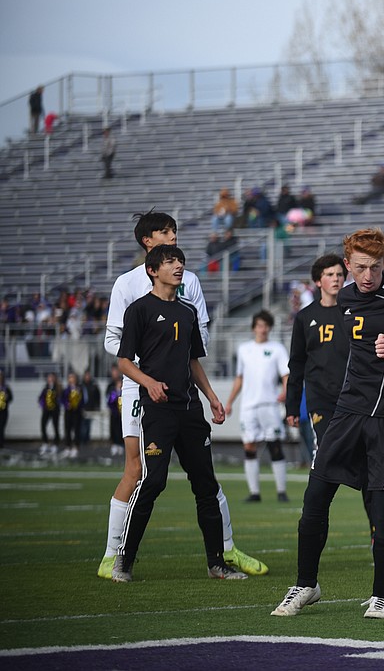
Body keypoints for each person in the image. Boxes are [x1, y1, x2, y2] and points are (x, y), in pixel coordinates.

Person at [271, 228, 384, 619]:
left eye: (375, 267)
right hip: (346, 414)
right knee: (314, 499)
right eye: (360, 267)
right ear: (347, 265)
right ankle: (305, 585)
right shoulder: (345, 297)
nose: (367, 275)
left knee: (382, 513)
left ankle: (383, 595)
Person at [98, 209, 266, 579]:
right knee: (143, 474)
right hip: (145, 393)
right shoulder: (131, 292)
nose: (173, 239)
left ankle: (222, 555)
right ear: (149, 251)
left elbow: (194, 350)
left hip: (187, 400)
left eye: (175, 234)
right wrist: (149, 376)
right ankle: (117, 557)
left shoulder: (188, 297)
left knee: (205, 480)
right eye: (165, 234)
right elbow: (119, 350)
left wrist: (211, 396)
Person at [284, 255, 347, 459]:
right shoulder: (304, 317)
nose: (336, 279)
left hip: (352, 396)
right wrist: (292, 406)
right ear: (318, 281)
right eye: (330, 275)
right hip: (320, 398)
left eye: (339, 274)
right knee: (326, 452)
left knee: (355, 454)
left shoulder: (354, 314)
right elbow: (296, 363)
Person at [225, 310, 291, 502]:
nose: (263, 329)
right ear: (254, 327)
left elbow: (285, 375)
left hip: (270, 404)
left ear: (270, 327)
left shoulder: (277, 348)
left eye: (266, 325)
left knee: (275, 445)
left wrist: (285, 392)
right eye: (260, 325)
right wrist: (229, 402)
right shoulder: (244, 349)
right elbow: (240, 378)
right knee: (249, 446)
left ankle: (281, 491)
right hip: (249, 406)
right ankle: (254, 492)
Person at [38, 371, 61, 456]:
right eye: (49, 377)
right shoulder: (45, 388)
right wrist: (42, 404)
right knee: (43, 425)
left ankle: (55, 444)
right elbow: (40, 398)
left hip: (55, 410)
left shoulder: (58, 387)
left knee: (55, 427)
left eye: (52, 377)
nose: (50, 379)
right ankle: (45, 443)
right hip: (46, 410)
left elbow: (61, 398)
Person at [62, 371, 84, 459]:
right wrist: (67, 404)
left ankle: (76, 447)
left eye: (73, 377)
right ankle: (68, 447)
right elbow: (62, 399)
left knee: (76, 430)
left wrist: (78, 405)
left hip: (77, 412)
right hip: (68, 412)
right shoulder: (66, 389)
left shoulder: (80, 388)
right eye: (70, 378)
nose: (71, 379)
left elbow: (83, 399)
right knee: (67, 429)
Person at [106, 365, 123, 457]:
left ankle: (120, 444)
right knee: (113, 428)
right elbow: (108, 399)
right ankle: (114, 444)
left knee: (121, 428)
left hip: (122, 413)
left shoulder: (123, 382)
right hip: (114, 412)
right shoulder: (110, 385)